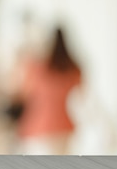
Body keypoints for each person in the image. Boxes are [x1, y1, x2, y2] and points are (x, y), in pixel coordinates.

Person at [17, 26, 82, 155]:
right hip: (65, 127)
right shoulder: (74, 69)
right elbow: (82, 93)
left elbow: (24, 93)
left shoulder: (37, 68)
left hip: (38, 128)